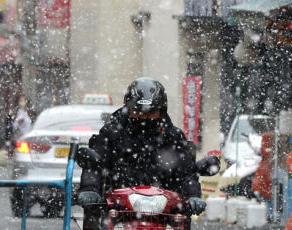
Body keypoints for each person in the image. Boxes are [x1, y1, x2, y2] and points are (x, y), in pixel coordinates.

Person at [77, 77, 206, 229]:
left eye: (151, 113)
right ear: (128, 107)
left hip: (165, 213)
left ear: (161, 110)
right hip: (119, 210)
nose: (144, 117)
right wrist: (89, 189)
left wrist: (193, 196)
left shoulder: (173, 136)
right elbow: (95, 164)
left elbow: (186, 173)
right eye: (138, 112)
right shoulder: (111, 132)